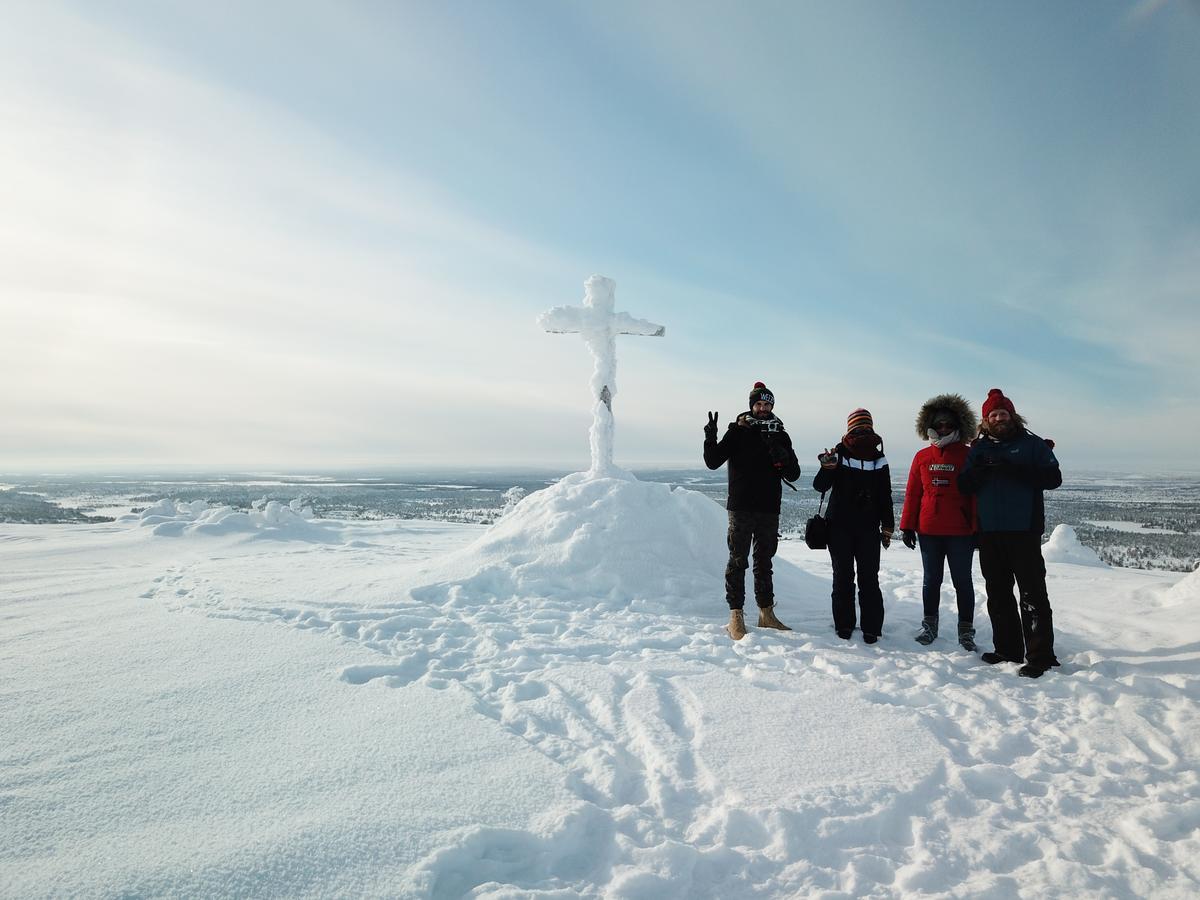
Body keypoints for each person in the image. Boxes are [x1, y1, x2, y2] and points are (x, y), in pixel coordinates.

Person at [958, 388, 1062, 678]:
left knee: (1032, 593)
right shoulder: (977, 449)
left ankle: (1041, 655)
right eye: (993, 414)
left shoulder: (1032, 445)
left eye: (1003, 413)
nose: (999, 418)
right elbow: (964, 485)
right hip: (989, 532)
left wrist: (1013, 469)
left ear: (1012, 416)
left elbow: (1053, 478)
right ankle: (1008, 649)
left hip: (1024, 531)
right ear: (985, 419)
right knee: (998, 593)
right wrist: (980, 471)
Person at [704, 382, 801, 640]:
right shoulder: (738, 432)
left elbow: (794, 474)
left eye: (767, 404)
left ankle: (766, 613)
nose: (762, 408)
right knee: (738, 560)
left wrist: (784, 457)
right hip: (742, 506)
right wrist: (710, 438)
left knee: (764, 562)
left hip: (769, 508)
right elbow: (713, 462)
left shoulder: (781, 434)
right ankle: (736, 615)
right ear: (752, 405)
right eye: (758, 404)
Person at [899, 394, 979, 650]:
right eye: (939, 424)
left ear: (958, 425)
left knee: (962, 581)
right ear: (930, 426)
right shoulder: (922, 456)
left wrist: (977, 527)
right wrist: (907, 525)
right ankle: (929, 626)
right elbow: (913, 493)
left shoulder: (968, 455)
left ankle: (966, 631)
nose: (943, 428)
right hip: (929, 529)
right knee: (931, 580)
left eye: (948, 424)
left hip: (960, 530)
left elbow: (976, 495)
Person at [813, 408, 894, 643]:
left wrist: (887, 526)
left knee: (867, 578)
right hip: (839, 527)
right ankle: (845, 625)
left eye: (866, 427)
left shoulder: (879, 459)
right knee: (844, 577)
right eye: (858, 428)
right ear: (850, 429)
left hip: (867, 528)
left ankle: (870, 628)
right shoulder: (838, 454)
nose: (862, 431)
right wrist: (827, 467)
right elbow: (820, 486)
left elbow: (884, 495)